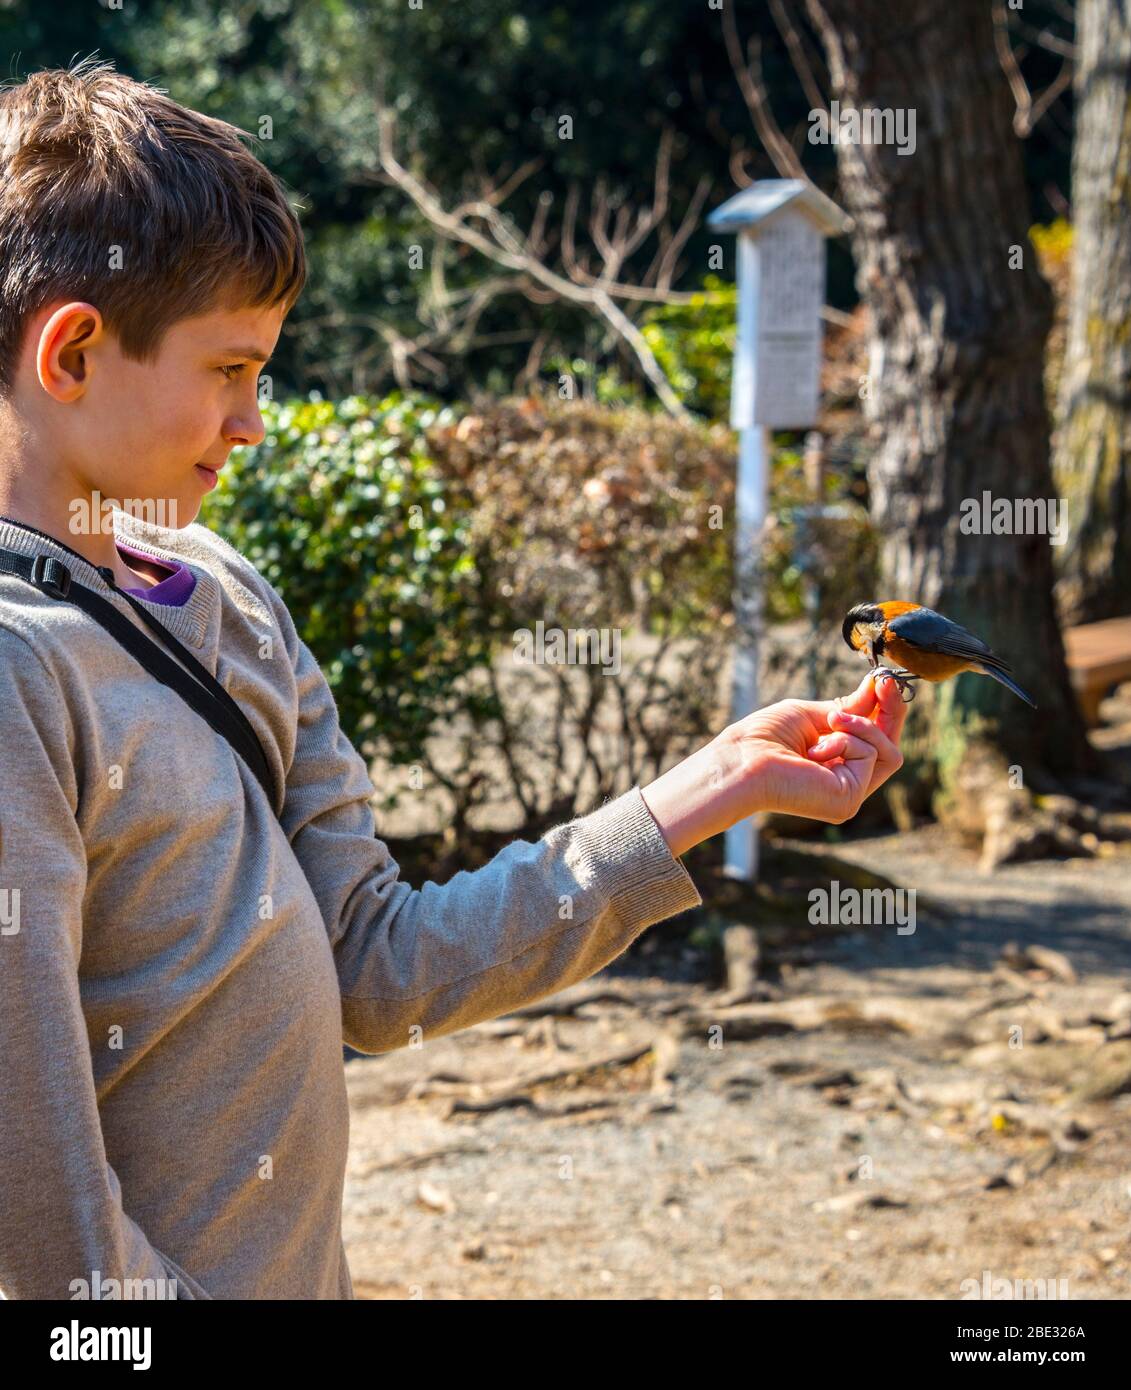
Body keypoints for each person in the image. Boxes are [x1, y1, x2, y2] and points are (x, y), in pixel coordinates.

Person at [0, 57, 906, 1301]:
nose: (254, 421)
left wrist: (704, 794)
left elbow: (379, 969)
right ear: (72, 351)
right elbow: (35, 1206)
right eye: (230, 369)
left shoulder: (229, 601)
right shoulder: (16, 675)